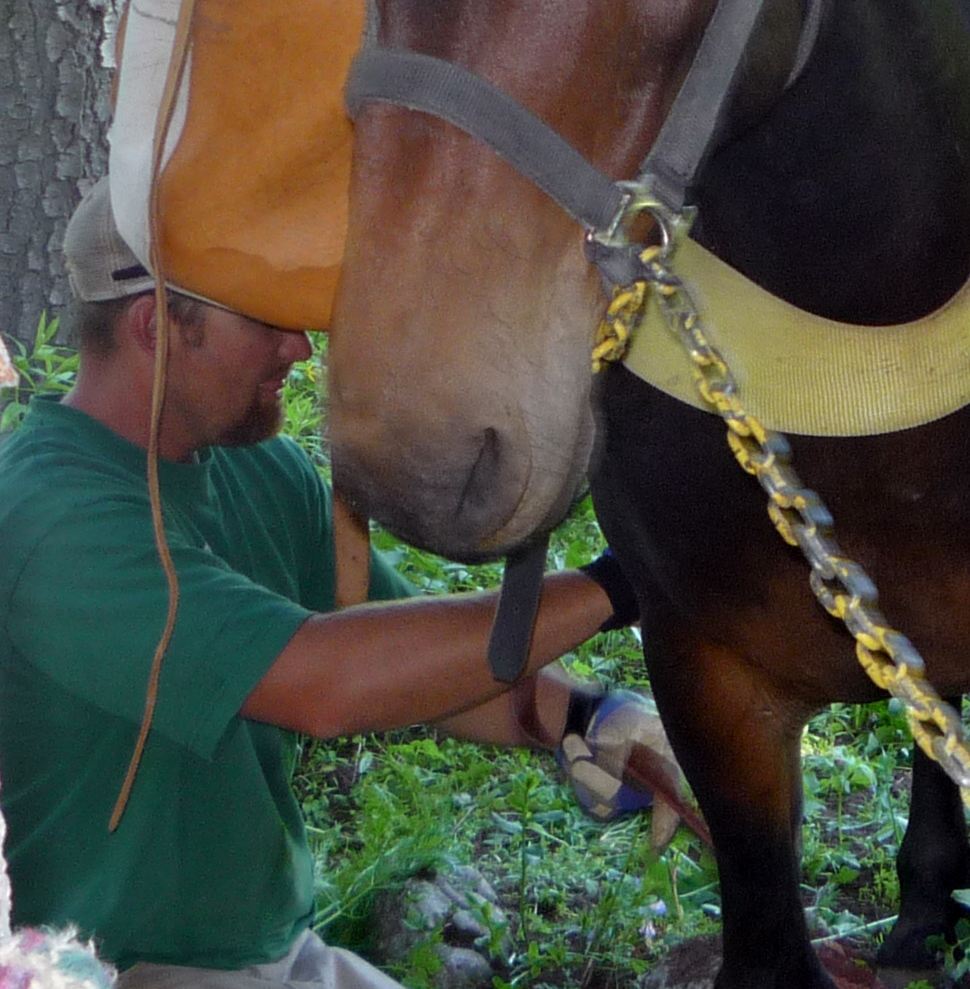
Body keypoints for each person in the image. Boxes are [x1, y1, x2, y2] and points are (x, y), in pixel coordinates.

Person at [0, 180, 680, 989]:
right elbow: (324, 683)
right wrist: (624, 578)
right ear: (157, 327)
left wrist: (584, 717)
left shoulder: (257, 465)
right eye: (263, 317)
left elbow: (430, 668)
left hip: (269, 954)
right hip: (107, 964)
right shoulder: (52, 513)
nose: (300, 345)